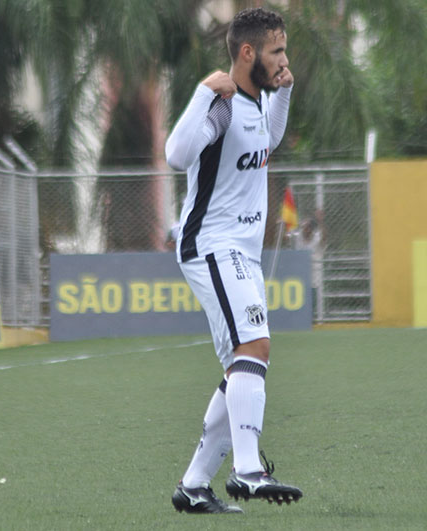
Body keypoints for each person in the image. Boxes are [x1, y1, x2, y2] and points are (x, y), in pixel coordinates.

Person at [164, 7, 302, 515]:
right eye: (277, 51)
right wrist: (204, 91)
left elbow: (267, 141)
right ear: (248, 53)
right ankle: (247, 471)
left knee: (243, 362)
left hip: (238, 251)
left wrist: (284, 90)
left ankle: (195, 485)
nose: (284, 58)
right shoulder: (221, 104)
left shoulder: (254, 105)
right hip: (211, 244)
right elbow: (176, 155)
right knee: (256, 345)